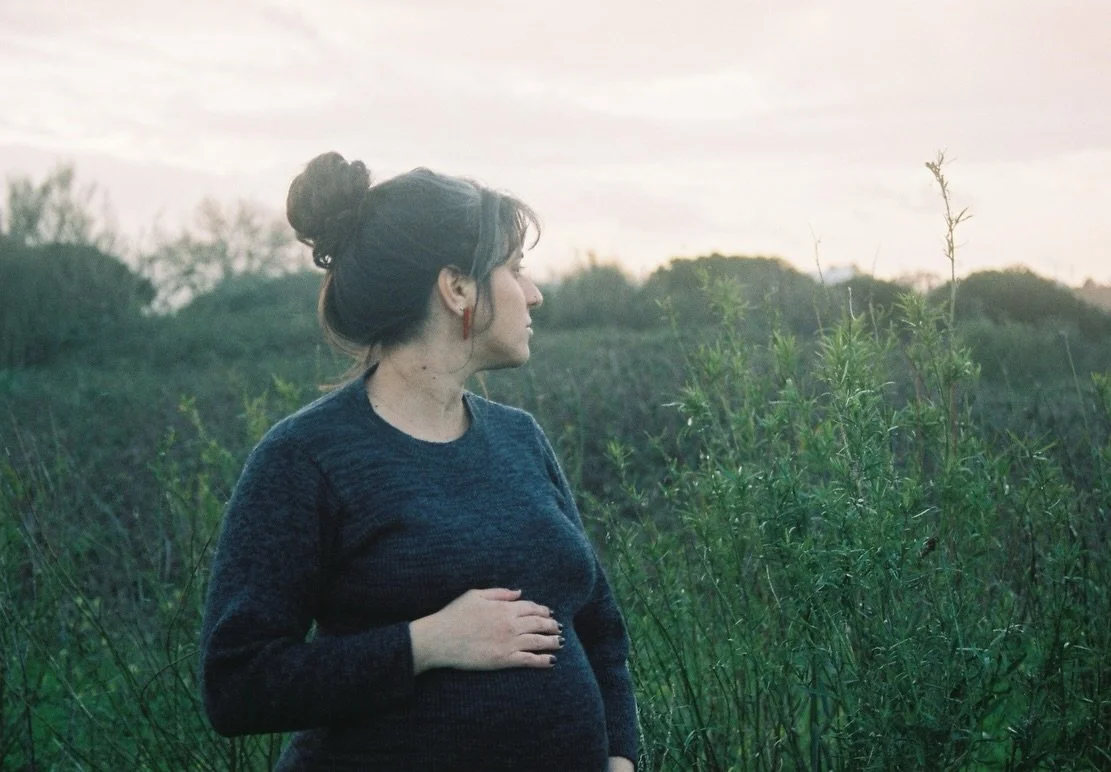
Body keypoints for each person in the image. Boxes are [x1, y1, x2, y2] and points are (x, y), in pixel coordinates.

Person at [199, 152, 638, 771]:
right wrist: (423, 643)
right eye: (515, 269)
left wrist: (620, 758)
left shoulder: (521, 439)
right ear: (457, 287)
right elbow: (237, 684)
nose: (535, 294)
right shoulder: (306, 459)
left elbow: (599, 630)